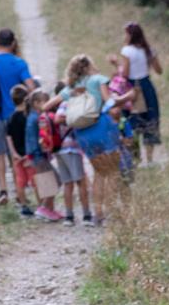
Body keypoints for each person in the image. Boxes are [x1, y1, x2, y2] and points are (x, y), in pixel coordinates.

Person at [46, 54, 133, 226]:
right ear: (88, 67)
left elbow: (46, 106)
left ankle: (98, 214)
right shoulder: (98, 80)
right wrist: (126, 98)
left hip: (83, 135)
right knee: (113, 173)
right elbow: (110, 103)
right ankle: (111, 213)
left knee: (99, 173)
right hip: (102, 128)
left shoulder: (70, 88)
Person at [0, 29, 32, 206]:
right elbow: (30, 86)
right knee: (16, 154)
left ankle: (2, 190)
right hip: (15, 115)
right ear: (13, 43)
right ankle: (19, 191)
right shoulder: (19, 63)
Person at [108, 22, 163, 163]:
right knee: (150, 118)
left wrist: (116, 64)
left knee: (132, 121)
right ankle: (150, 159)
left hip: (131, 87)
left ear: (130, 35)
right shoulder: (148, 49)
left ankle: (136, 158)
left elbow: (125, 73)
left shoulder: (127, 51)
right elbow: (159, 70)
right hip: (146, 85)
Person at [50, 84, 92, 224]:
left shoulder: (62, 104)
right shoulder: (70, 103)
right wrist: (75, 119)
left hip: (60, 148)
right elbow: (58, 119)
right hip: (71, 148)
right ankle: (86, 216)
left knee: (68, 184)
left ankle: (69, 216)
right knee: (80, 182)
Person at [24, 90, 64, 221]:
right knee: (56, 180)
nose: (48, 104)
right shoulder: (37, 118)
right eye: (44, 102)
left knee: (46, 183)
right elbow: (39, 138)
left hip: (36, 156)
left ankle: (49, 211)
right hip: (38, 156)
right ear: (36, 103)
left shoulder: (33, 117)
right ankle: (43, 208)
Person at [6, 82, 37, 217]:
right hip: (29, 155)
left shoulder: (11, 118)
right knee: (35, 180)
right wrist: (29, 154)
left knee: (20, 181)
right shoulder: (29, 118)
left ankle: (24, 206)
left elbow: (9, 137)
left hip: (17, 156)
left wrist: (14, 153)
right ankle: (42, 204)